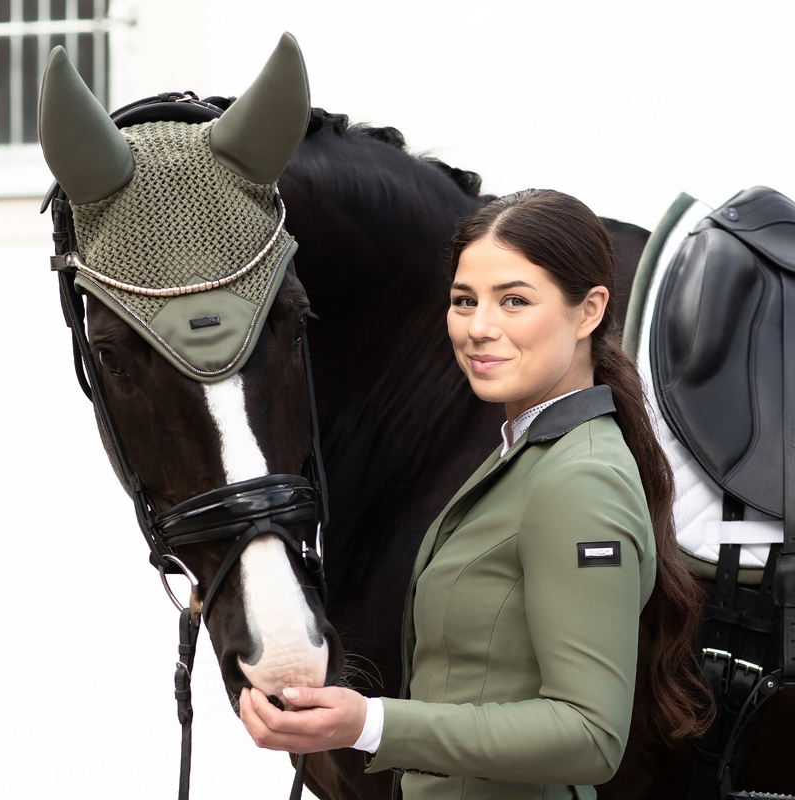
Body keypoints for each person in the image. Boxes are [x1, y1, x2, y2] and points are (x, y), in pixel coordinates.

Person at [238, 189, 710, 799]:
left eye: (514, 300)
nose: (479, 328)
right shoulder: (523, 452)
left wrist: (369, 723)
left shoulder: (579, 478)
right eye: (465, 301)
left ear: (590, 311)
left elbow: (589, 735)